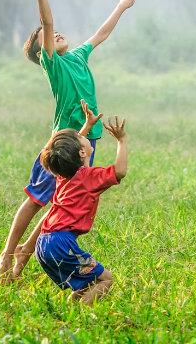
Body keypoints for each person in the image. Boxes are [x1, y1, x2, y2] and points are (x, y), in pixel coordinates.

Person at [0, 0, 137, 281]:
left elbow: (100, 34)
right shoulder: (54, 65)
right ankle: (7, 255)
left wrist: (121, 6)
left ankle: (21, 263)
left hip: (85, 142)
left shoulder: (77, 56)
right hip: (63, 143)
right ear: (41, 52)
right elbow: (46, 22)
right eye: (46, 37)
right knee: (36, 200)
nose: (55, 33)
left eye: (57, 32)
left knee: (61, 206)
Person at [34, 115, 127, 304]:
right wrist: (121, 140)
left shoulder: (63, 175)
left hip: (43, 243)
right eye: (80, 137)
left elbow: (69, 152)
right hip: (62, 244)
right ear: (82, 153)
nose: (81, 135)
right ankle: (82, 316)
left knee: (88, 282)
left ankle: (71, 310)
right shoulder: (89, 177)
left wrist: (87, 125)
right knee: (106, 279)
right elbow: (120, 171)